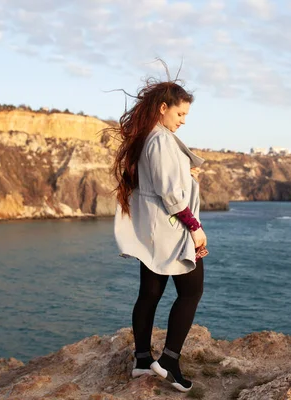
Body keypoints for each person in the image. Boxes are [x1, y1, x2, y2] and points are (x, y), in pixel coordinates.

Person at [112, 79, 208, 393]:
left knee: (150, 294)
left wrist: (187, 175)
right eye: (180, 114)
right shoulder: (161, 140)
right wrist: (195, 229)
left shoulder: (148, 139)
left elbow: (157, 181)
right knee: (192, 291)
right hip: (171, 230)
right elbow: (169, 193)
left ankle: (142, 360)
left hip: (153, 232)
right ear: (163, 108)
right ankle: (168, 361)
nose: (183, 121)